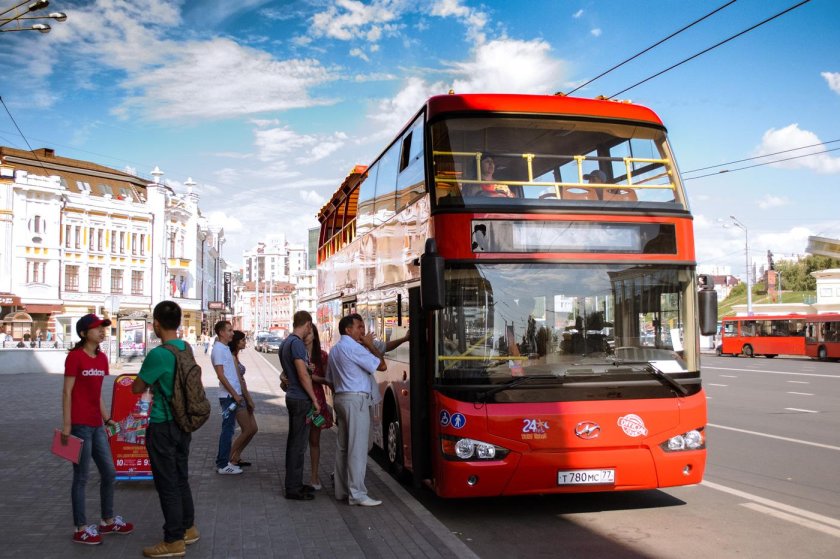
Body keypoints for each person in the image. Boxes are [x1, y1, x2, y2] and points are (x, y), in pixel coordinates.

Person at [132, 301, 199, 558]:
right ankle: (188, 528)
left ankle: (173, 540)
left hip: (163, 424)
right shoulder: (186, 348)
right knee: (181, 476)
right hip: (184, 424)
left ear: (156, 323)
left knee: (166, 482)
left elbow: (137, 387)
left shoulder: (158, 354)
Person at [61, 313, 134, 545]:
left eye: (104, 328)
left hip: (96, 424)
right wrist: (66, 425)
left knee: (109, 472)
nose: (102, 331)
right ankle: (80, 527)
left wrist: (108, 418)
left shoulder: (101, 359)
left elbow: (97, 394)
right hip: (80, 425)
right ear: (84, 333)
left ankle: (107, 521)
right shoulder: (74, 357)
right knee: (81, 477)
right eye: (97, 328)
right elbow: (67, 392)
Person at [326, 313, 388, 507]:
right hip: (356, 400)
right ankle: (357, 493)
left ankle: (341, 490)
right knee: (358, 449)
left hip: (341, 399)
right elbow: (383, 366)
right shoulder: (354, 348)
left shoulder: (335, 349)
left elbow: (329, 378)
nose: (363, 330)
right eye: (359, 327)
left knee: (343, 447)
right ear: (348, 330)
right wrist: (370, 345)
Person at [279, 310, 321, 501]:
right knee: (298, 445)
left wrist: (306, 368)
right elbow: (302, 375)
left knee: (294, 443)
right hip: (300, 398)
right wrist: (314, 398)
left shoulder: (286, 342)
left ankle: (294, 482)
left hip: (292, 396)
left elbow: (292, 371)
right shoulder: (296, 343)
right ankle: (293, 487)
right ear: (308, 325)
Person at [211, 320, 245, 475]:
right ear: (221, 332)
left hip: (231, 395)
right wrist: (234, 393)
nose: (232, 333)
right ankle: (223, 464)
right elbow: (221, 375)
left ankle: (224, 462)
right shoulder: (218, 349)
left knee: (229, 429)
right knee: (227, 430)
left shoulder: (224, 348)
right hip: (228, 396)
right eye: (230, 330)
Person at [304, 326, 333, 490]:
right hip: (302, 401)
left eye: (310, 333)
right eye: (306, 333)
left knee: (315, 440)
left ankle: (314, 477)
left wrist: (312, 376)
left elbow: (328, 379)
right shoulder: (296, 354)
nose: (307, 336)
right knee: (300, 441)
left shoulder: (322, 356)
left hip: (317, 403)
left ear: (315, 335)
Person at [227, 330, 258, 467]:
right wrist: (248, 399)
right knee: (247, 429)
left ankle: (236, 457)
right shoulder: (232, 357)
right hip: (239, 397)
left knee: (253, 428)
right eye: (243, 340)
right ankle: (227, 458)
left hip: (243, 395)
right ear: (236, 342)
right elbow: (239, 381)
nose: (245, 342)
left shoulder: (235, 356)